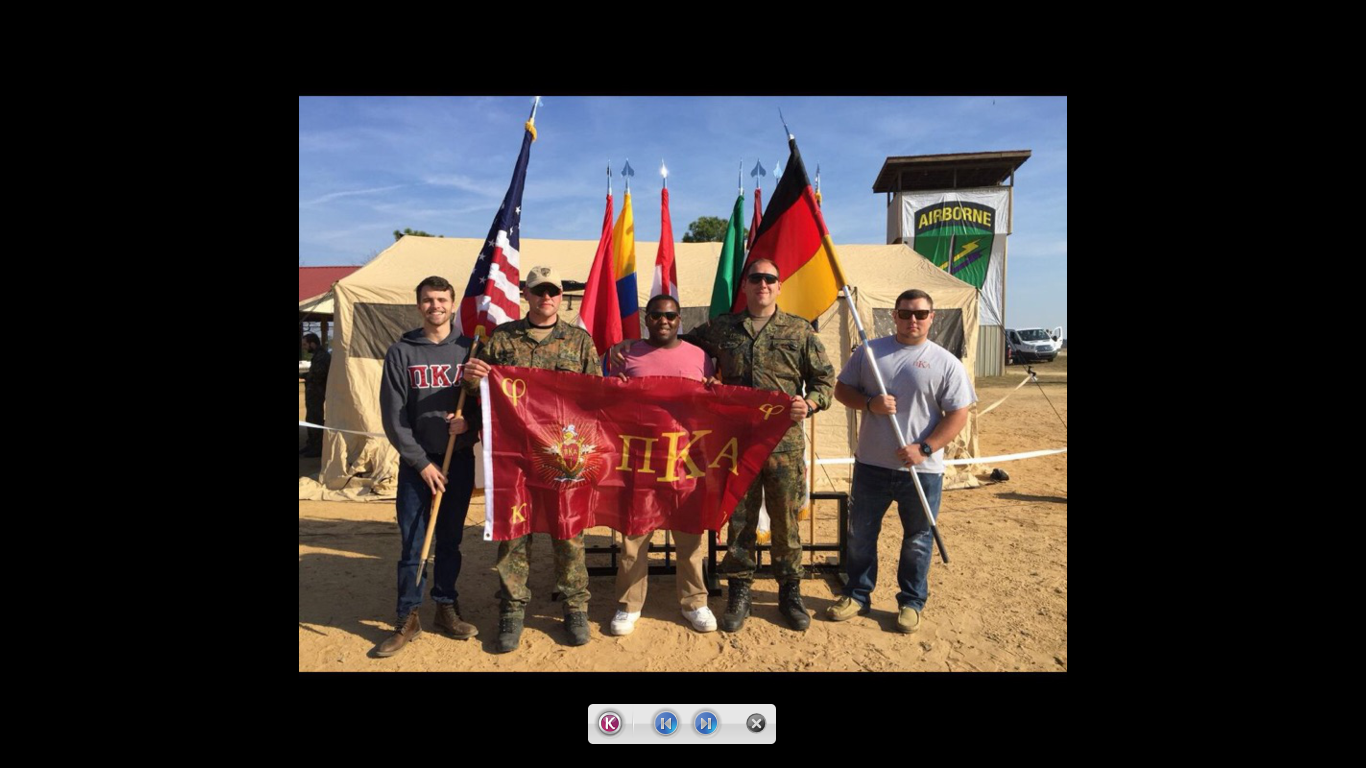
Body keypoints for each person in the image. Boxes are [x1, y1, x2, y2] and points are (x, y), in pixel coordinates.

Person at [623, 259, 835, 633]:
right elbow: (675, 344)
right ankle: (740, 591)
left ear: (779, 286)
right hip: (735, 445)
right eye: (756, 278)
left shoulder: (799, 330)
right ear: (746, 285)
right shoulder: (722, 328)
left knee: (786, 522)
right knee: (740, 521)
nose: (763, 284)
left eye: (770, 278)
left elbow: (825, 380)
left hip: (782, 444)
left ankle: (790, 591)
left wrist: (812, 402)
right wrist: (634, 351)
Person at [462, 266, 601, 653]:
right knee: (514, 535)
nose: (546, 298)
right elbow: (479, 389)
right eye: (539, 291)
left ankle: (575, 608)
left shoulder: (579, 343)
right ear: (526, 294)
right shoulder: (504, 339)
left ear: (561, 296)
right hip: (516, 456)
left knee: (568, 533)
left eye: (553, 291)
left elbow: (597, 399)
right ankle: (512, 608)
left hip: (565, 456)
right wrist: (472, 375)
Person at [827, 289, 976, 633]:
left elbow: (958, 414)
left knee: (918, 540)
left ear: (931, 318)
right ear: (893, 315)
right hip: (871, 467)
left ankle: (911, 602)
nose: (913, 321)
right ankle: (857, 594)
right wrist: (870, 404)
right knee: (861, 535)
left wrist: (924, 448)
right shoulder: (869, 353)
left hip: (921, 471)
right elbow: (841, 390)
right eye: (906, 313)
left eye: (921, 314)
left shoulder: (945, 363)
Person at [375, 276, 480, 657]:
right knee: (413, 541)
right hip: (417, 465)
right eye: (427, 300)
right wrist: (421, 464)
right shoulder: (401, 352)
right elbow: (394, 417)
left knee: (450, 540)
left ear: (453, 305)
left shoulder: (470, 350)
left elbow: (487, 409)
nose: (435, 305)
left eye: (442, 299)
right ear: (418, 305)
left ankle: (446, 606)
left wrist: (468, 426)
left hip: (458, 459)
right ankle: (408, 615)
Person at [608, 295, 720, 636]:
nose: (663, 321)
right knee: (635, 535)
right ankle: (629, 605)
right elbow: (607, 401)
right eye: (656, 315)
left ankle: (695, 602)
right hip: (640, 458)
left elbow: (712, 401)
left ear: (679, 318)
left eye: (670, 315)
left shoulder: (700, 357)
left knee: (689, 536)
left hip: (687, 459)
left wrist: (715, 388)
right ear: (647, 318)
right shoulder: (625, 355)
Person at [301, 332, 330, 457]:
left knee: (316, 419)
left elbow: (318, 374)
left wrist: (307, 377)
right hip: (313, 394)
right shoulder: (317, 355)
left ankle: (317, 447)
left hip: (317, 393)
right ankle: (311, 444)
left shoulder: (322, 356)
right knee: (310, 418)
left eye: (305, 344)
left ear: (313, 343)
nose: (304, 347)